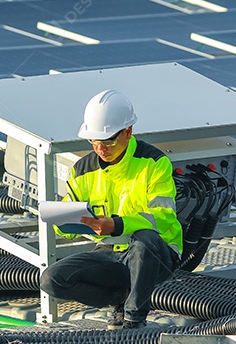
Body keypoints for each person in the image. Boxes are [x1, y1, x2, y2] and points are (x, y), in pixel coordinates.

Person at [39, 90, 182, 329]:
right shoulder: (82, 170)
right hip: (110, 253)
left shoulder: (154, 163)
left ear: (128, 132)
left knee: (143, 241)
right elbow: (68, 228)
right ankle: (120, 298)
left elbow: (164, 219)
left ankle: (133, 319)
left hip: (156, 255)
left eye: (108, 141)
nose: (101, 149)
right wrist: (63, 220)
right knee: (52, 279)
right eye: (94, 142)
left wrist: (117, 225)